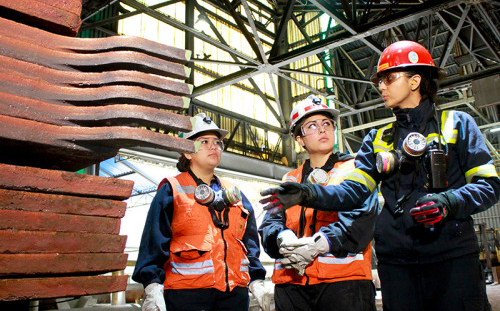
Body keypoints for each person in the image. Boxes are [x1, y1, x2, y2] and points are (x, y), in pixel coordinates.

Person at [260, 41, 500, 311]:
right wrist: (307, 193)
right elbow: (353, 192)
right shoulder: (378, 139)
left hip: (451, 258)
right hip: (397, 264)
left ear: (415, 81)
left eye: (388, 78)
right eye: (380, 81)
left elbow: (488, 185)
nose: (381, 87)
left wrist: (449, 201)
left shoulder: (457, 124)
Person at [133, 113, 270, 311]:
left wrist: (256, 280)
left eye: (217, 142)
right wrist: (152, 286)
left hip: (234, 295)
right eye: (204, 141)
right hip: (187, 295)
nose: (214, 146)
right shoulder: (172, 189)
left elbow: (249, 242)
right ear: (187, 152)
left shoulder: (235, 193)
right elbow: (154, 241)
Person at [259, 95, 379, 311]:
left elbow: (362, 221)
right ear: (300, 139)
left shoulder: (355, 170)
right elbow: (269, 224)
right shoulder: (290, 180)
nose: (322, 129)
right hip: (292, 286)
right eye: (312, 126)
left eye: (327, 124)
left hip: (344, 285)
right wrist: (281, 238)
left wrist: (319, 244)